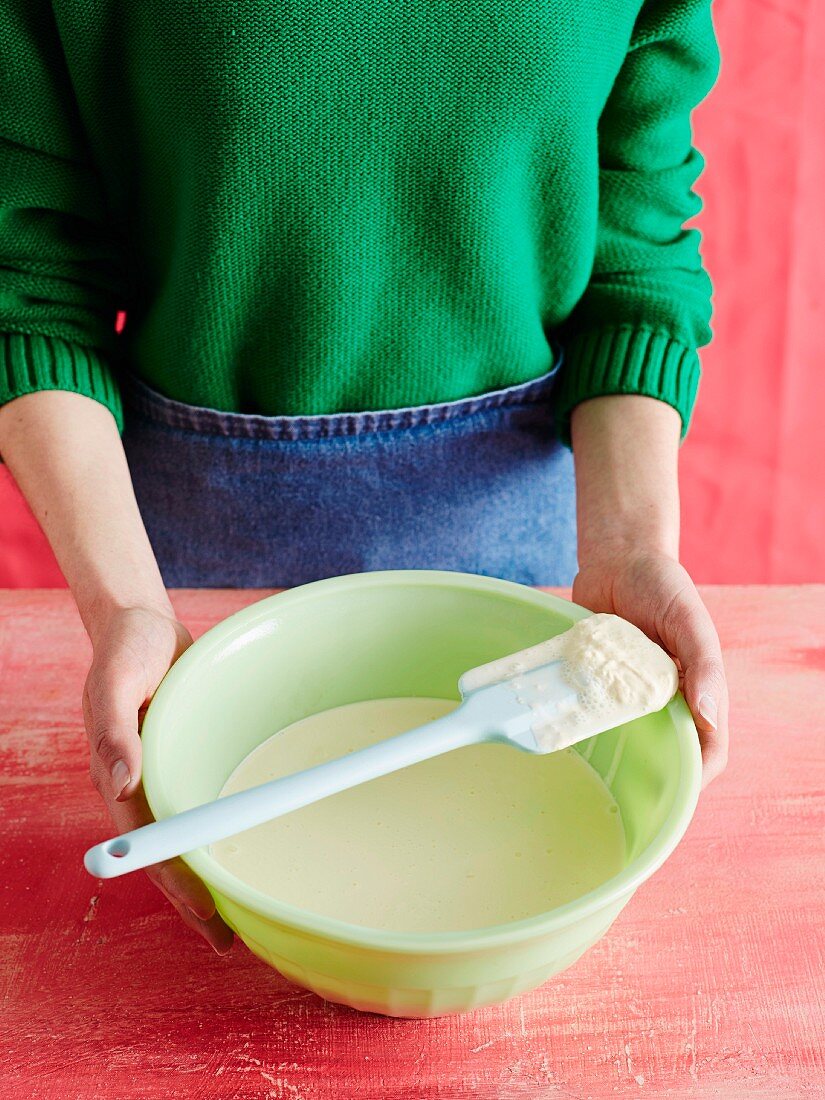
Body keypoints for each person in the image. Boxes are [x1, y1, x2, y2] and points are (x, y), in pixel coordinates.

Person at [0, 1, 729, 954]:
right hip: (179, 547)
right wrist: (126, 608)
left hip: (529, 520)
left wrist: (632, 546)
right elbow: (29, 278)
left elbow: (635, 245)